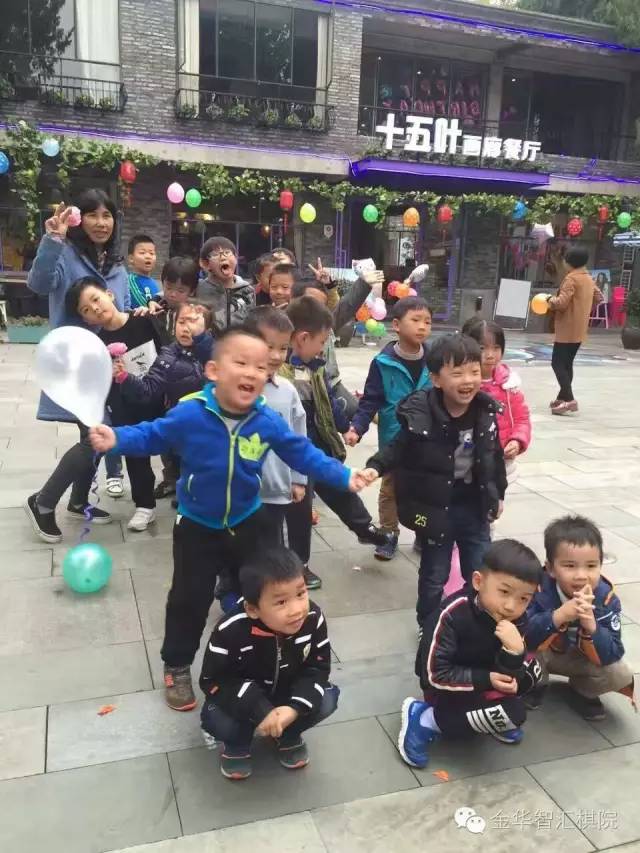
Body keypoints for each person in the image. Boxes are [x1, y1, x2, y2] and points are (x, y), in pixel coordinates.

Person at [89, 326, 372, 711]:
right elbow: (153, 435)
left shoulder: (266, 420)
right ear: (213, 371)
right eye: (241, 363)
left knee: (261, 590)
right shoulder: (190, 413)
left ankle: (263, 655)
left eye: (261, 367)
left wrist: (344, 476)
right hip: (197, 525)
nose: (253, 372)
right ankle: (177, 664)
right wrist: (116, 439)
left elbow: (302, 453)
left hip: (249, 521)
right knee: (189, 599)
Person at [362, 334, 507, 627]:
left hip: (473, 506)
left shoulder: (484, 412)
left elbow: (494, 456)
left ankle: (477, 622)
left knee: (479, 570)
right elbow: (398, 447)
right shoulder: (421, 414)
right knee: (434, 574)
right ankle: (428, 625)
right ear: (436, 379)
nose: (468, 380)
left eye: (474, 371)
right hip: (435, 508)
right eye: (457, 373)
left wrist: (498, 494)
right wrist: (375, 467)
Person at [24, 190, 130, 543]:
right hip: (73, 364)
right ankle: (42, 502)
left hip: (107, 365)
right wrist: (53, 239)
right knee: (96, 437)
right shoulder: (66, 253)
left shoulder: (117, 266)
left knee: (94, 435)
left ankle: (79, 500)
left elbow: (121, 311)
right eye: (92, 215)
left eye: (107, 215)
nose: (101, 223)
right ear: (79, 220)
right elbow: (38, 284)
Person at [397, 539, 543, 769]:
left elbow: (511, 675)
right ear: (478, 581)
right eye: (504, 591)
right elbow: (434, 675)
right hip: (447, 688)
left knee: (531, 677)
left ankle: (488, 718)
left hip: (486, 681)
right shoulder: (452, 614)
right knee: (509, 714)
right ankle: (425, 718)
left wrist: (515, 653)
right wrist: (486, 679)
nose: (511, 606)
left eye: (523, 598)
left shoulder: (518, 619)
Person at [281, 296, 394, 590]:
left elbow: (329, 402)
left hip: (318, 443)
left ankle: (364, 528)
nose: (323, 349)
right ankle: (298, 564)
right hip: (292, 454)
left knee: (340, 485)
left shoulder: (315, 366)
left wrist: (346, 428)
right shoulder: (278, 372)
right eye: (322, 342)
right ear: (302, 338)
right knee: (299, 508)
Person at [200, 547, 338, 780]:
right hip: (245, 701)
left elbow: (318, 668)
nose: (296, 610)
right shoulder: (230, 630)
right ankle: (237, 744)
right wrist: (259, 709)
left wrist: (294, 708)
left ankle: (287, 734)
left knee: (326, 699)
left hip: (288, 694)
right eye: (281, 602)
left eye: (301, 593)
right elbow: (213, 681)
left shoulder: (313, 619)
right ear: (252, 609)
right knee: (218, 719)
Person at [66, 277, 163, 531]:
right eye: (87, 310)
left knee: (176, 450)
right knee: (136, 455)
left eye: (95, 299)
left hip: (160, 396)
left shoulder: (144, 319)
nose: (95, 309)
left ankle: (186, 494)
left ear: (109, 294)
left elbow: (166, 347)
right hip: (126, 406)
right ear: (86, 319)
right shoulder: (96, 345)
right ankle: (145, 506)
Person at [345, 296, 433, 560]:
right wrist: (357, 428)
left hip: (428, 440)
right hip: (394, 438)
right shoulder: (382, 362)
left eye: (427, 322)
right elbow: (370, 400)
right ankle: (388, 533)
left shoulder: (435, 359)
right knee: (390, 489)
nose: (422, 327)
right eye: (415, 320)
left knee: (425, 491)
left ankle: (423, 532)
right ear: (396, 325)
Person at [525, 515, 635, 721]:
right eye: (570, 566)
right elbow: (522, 634)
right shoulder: (534, 588)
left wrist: (593, 627)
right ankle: (534, 684)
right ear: (551, 568)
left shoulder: (606, 599)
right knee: (512, 651)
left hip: (580, 658)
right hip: (543, 654)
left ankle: (582, 691)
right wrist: (557, 616)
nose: (581, 575)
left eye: (591, 566)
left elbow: (613, 653)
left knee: (620, 673)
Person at [117, 302, 215, 500]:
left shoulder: (216, 352)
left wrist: (202, 339)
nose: (186, 328)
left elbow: (216, 359)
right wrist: (125, 377)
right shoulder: (168, 355)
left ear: (208, 330)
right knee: (184, 472)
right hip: (183, 427)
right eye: (182, 322)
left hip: (213, 425)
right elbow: (148, 390)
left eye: (194, 322)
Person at [243, 307, 310, 580]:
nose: (275, 355)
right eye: (268, 346)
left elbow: (298, 438)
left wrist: (298, 479)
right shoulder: (232, 388)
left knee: (271, 549)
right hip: (238, 491)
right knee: (236, 547)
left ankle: (269, 592)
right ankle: (231, 590)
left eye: (282, 348)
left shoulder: (287, 390)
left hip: (275, 490)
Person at [461, 318, 531, 482]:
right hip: (467, 461)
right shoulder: (462, 384)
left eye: (496, 348)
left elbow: (521, 418)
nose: (490, 355)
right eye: (482, 348)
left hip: (501, 460)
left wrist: (517, 440)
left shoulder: (509, 384)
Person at [547, 246, 603, 416]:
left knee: (557, 363)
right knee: (567, 363)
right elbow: (599, 297)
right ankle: (562, 397)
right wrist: (583, 310)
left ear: (569, 262)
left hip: (566, 328)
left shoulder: (571, 279)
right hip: (580, 328)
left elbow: (562, 303)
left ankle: (570, 400)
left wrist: (549, 300)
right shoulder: (588, 278)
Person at [197, 236, 255, 327]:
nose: (223, 258)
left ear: (236, 258)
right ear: (205, 264)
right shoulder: (199, 288)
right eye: (215, 254)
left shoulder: (247, 290)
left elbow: (251, 322)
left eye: (227, 253)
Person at [153, 256, 200, 347]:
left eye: (180, 291)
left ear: (192, 291)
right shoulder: (156, 310)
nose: (173, 294)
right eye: (169, 288)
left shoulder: (196, 317)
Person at [127, 234, 161, 308]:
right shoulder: (130, 281)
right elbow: (145, 307)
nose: (148, 256)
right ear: (131, 258)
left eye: (152, 253)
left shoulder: (154, 283)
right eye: (142, 253)